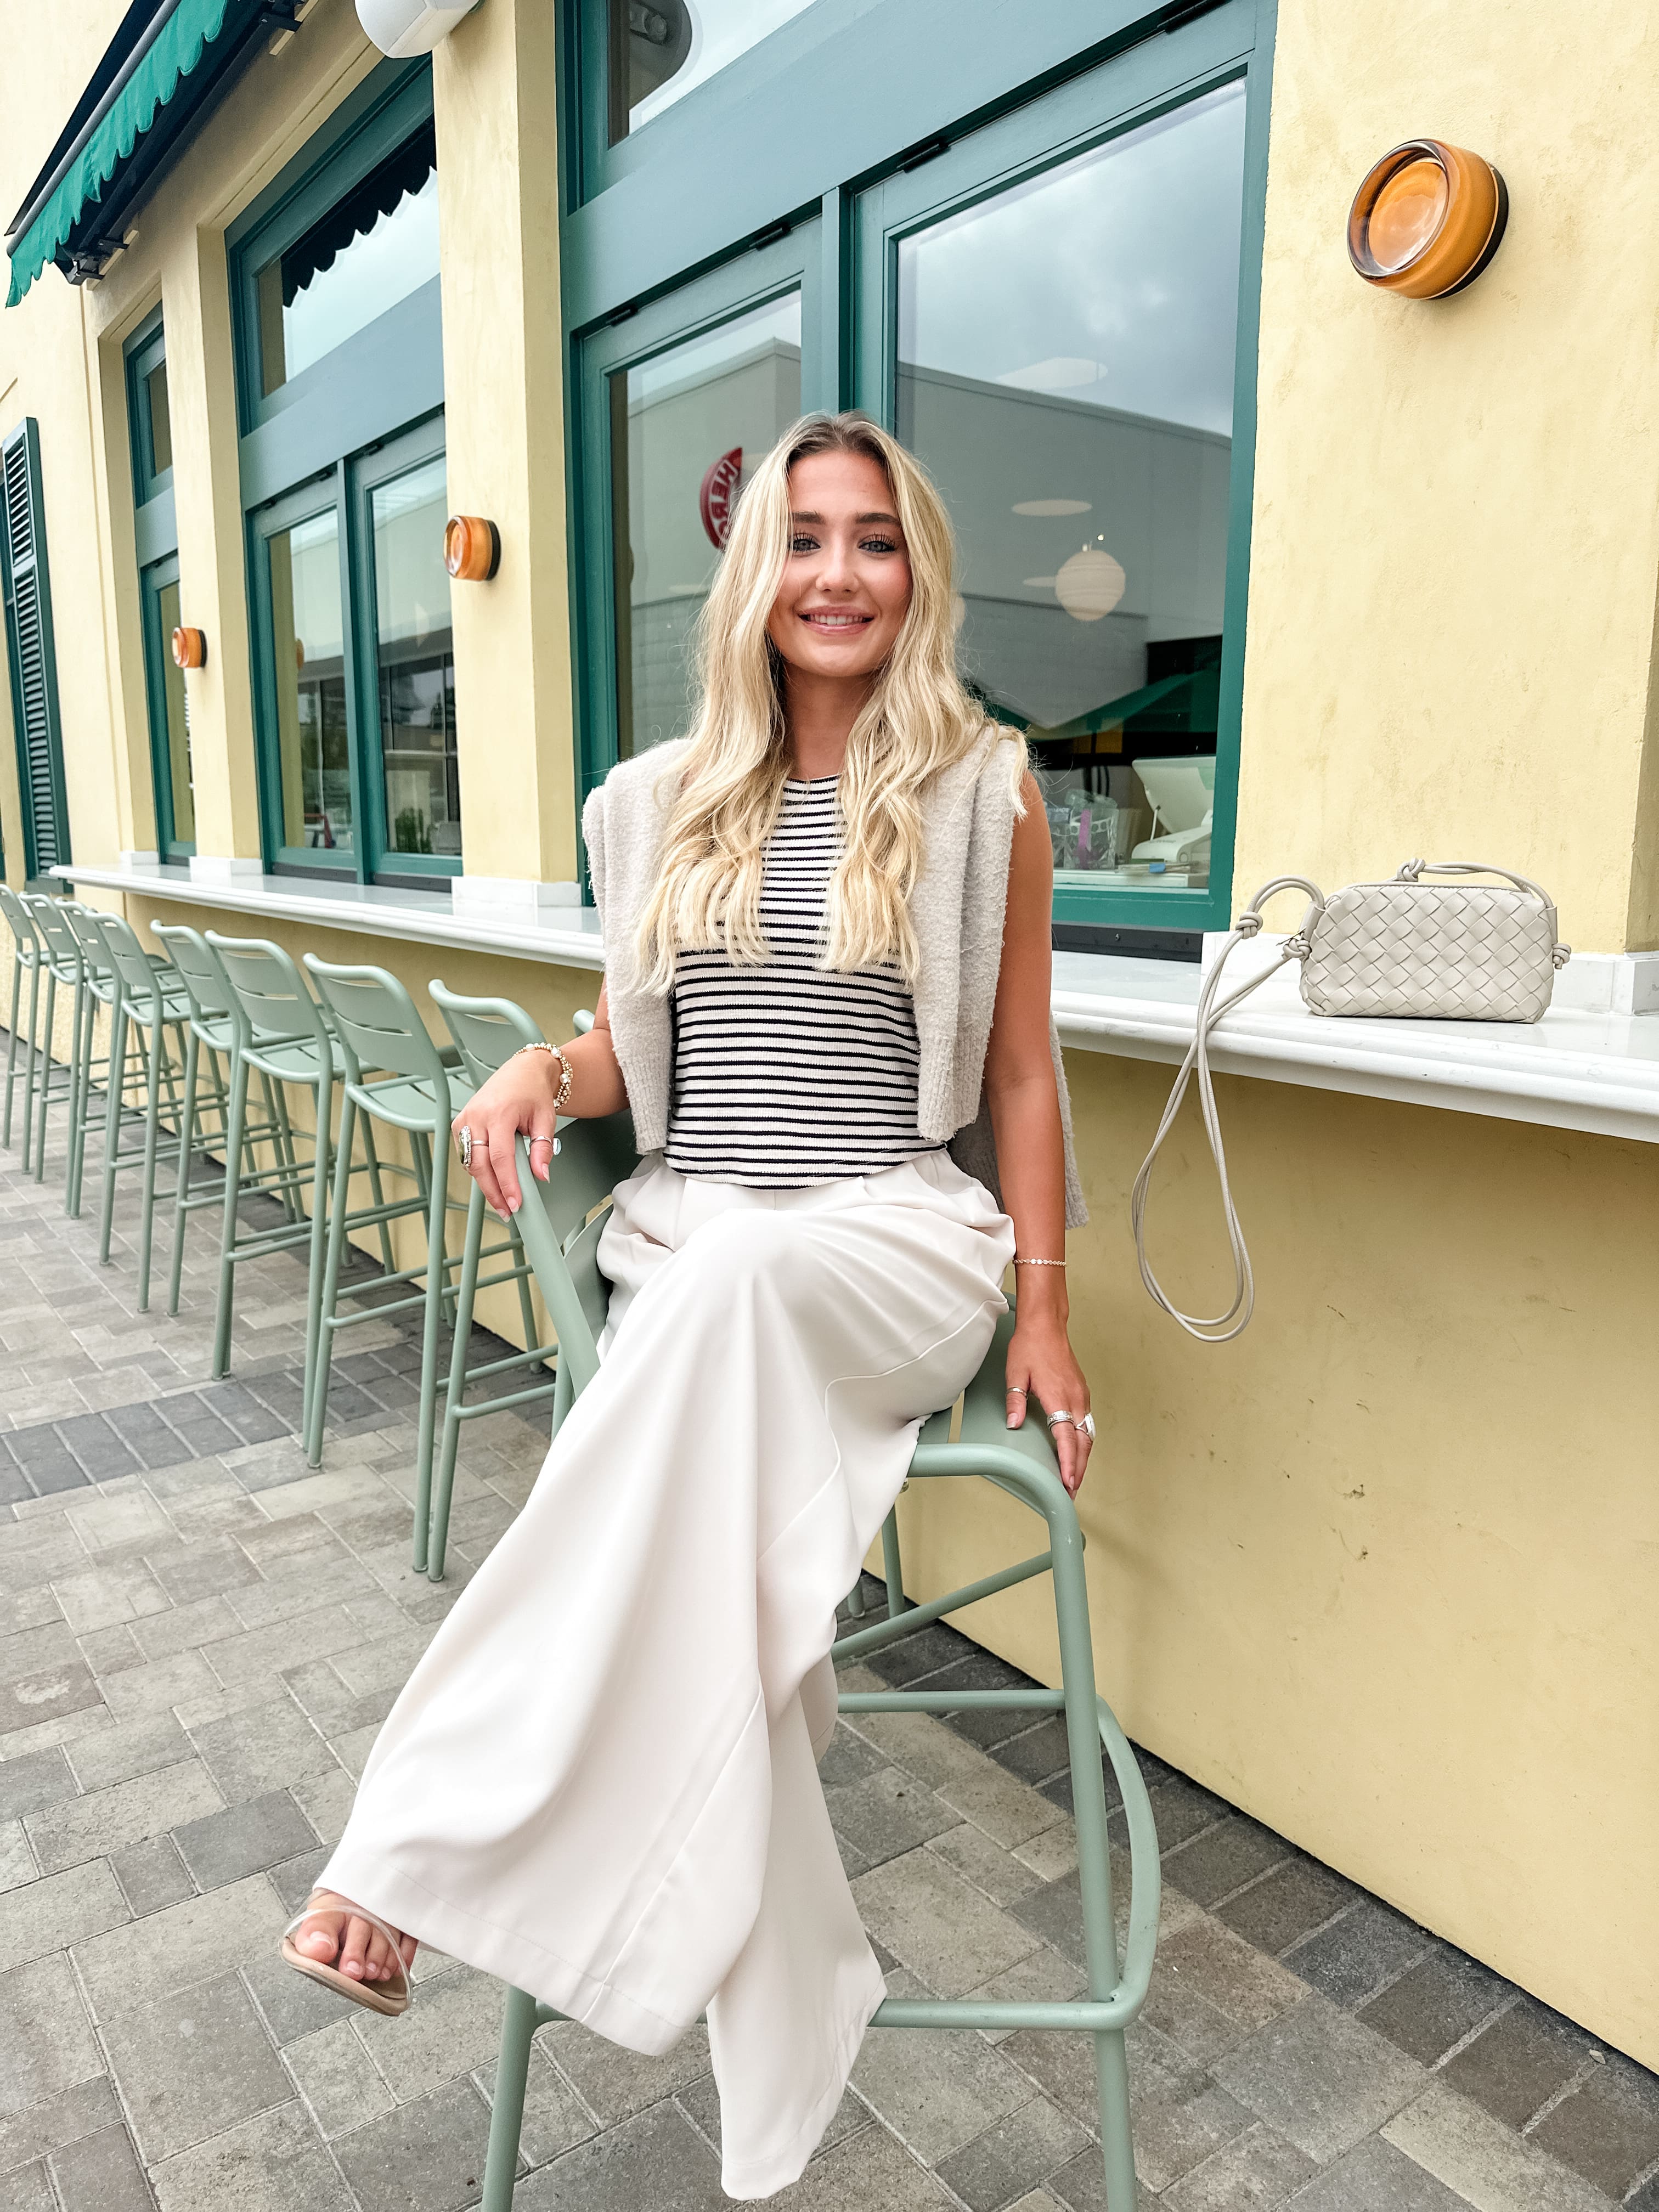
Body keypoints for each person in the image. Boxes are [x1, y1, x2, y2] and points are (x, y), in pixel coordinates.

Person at [278, 411, 1094, 2198]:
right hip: (699, 1230)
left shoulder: (984, 791)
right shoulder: (649, 805)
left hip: (891, 1236)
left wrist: (1044, 1309)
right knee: (716, 1403)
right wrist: (533, 1074)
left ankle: (407, 1851)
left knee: (723, 1299)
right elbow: (639, 1057)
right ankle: (782, 1999)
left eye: (874, 540)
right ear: (754, 571)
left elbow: (1021, 1079)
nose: (838, 574)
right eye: (805, 539)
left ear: (916, 572)